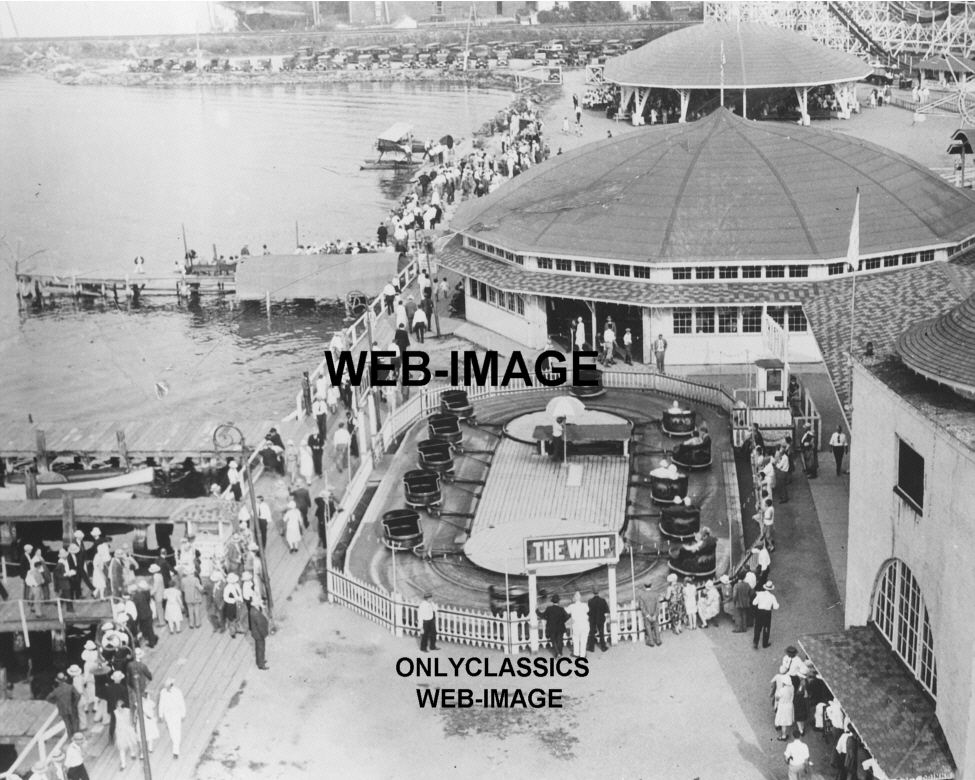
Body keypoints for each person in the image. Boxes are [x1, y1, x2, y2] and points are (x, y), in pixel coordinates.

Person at [157, 679, 186, 757]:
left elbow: (181, 703)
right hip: (168, 714)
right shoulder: (163, 692)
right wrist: (160, 715)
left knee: (177, 729)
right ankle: (176, 742)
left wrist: (183, 714)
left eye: (167, 686)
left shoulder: (177, 691)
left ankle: (176, 750)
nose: (166, 688)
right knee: (171, 730)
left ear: (171, 685)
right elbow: (161, 703)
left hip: (176, 713)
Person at [47, 672, 81, 738]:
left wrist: (55, 701)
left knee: (68, 724)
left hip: (63, 709)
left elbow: (48, 698)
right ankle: (77, 736)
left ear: (57, 681)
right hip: (72, 708)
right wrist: (75, 703)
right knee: (75, 722)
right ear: (65, 679)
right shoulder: (70, 687)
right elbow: (78, 696)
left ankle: (71, 737)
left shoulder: (56, 690)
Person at [113, 701, 140, 770]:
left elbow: (131, 720)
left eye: (121, 707)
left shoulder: (128, 711)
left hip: (127, 730)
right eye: (118, 707)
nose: (119, 709)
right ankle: (123, 764)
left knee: (130, 742)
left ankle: (132, 753)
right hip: (119, 732)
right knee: (121, 748)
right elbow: (114, 723)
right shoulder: (115, 713)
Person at [752, 581, 779, 649]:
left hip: (759, 612)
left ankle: (755, 642)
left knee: (757, 627)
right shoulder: (772, 597)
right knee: (766, 628)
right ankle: (765, 643)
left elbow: (754, 603)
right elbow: (776, 607)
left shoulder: (760, 594)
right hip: (767, 613)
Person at [636, 580, 662, 647]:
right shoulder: (655, 594)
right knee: (656, 626)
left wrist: (647, 615)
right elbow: (658, 605)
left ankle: (651, 642)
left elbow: (642, 606)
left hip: (647, 614)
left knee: (648, 627)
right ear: (651, 585)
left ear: (644, 586)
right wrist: (655, 614)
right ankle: (658, 641)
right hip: (654, 613)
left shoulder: (642, 595)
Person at [564, 591, 589, 658]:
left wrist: (571, 602)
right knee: (583, 639)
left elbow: (566, 611)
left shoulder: (572, 606)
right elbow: (587, 610)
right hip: (584, 623)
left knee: (575, 639)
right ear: (580, 598)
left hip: (576, 624)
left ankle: (576, 653)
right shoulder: (584, 605)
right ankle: (583, 654)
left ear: (574, 598)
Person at [772, 671, 795, 740]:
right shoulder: (792, 687)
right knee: (788, 720)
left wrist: (776, 694)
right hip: (790, 705)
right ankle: (786, 732)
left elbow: (777, 698)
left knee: (783, 722)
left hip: (783, 706)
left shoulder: (782, 690)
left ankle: (783, 736)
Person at [586, 588, 610, 652]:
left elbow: (588, 612)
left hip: (592, 619)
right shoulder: (603, 600)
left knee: (592, 633)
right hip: (600, 618)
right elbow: (606, 610)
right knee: (601, 633)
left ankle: (591, 648)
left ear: (593, 592)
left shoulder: (590, 601)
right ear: (598, 591)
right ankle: (603, 647)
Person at [250, 603, 270, 669]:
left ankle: (260, 661)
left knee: (259, 648)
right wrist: (264, 634)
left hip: (257, 633)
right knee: (260, 649)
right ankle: (261, 664)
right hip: (259, 634)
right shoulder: (256, 613)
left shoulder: (254, 610)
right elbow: (260, 626)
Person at [223, 573, 243, 638]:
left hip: (238, 604)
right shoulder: (227, 588)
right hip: (231, 605)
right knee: (231, 619)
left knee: (237, 617)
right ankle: (232, 632)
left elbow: (239, 593)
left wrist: (240, 600)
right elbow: (225, 598)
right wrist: (234, 600)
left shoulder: (237, 585)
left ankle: (237, 628)